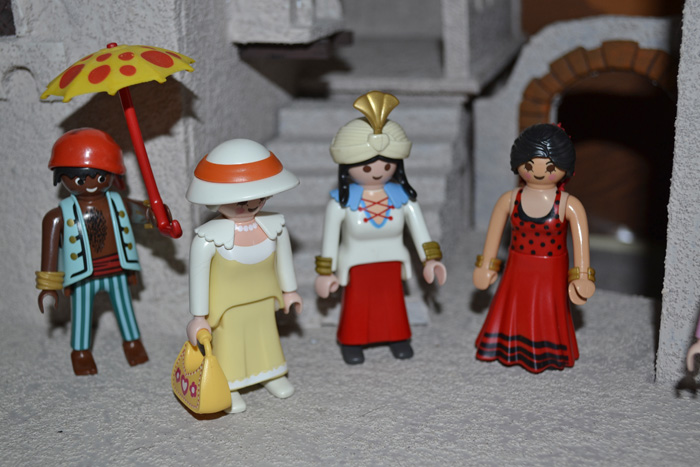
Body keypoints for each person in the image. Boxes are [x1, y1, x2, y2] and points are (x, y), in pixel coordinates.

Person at [315, 91, 447, 365]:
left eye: (386, 165)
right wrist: (325, 273)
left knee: (392, 303)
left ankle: (397, 337)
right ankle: (353, 342)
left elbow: (420, 232)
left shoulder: (403, 200)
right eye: (367, 167)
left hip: (391, 261)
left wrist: (431, 260)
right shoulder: (340, 204)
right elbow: (329, 241)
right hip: (356, 264)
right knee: (357, 305)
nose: (377, 171)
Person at [185, 138, 302, 414]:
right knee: (230, 345)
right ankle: (229, 384)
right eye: (241, 202)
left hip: (263, 298)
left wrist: (290, 290)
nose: (252, 205)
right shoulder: (207, 239)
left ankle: (271, 373)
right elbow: (198, 278)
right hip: (227, 307)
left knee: (266, 338)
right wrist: (198, 316)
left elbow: (284, 261)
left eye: (259, 198)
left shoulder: (275, 226)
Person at [473, 123, 596, 373]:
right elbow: (492, 238)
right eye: (529, 166)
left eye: (550, 168)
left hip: (551, 271)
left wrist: (582, 277)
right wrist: (486, 266)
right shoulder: (509, 199)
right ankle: (509, 346)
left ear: (564, 167)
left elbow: (582, 247)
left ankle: (547, 351)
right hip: (517, 266)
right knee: (513, 307)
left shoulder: (569, 205)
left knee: (548, 310)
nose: (538, 173)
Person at [36, 128, 154, 375]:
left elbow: (142, 213)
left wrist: (156, 213)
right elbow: (49, 252)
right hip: (83, 274)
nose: (90, 185)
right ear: (61, 178)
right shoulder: (58, 216)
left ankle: (133, 343)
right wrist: (48, 285)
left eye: (100, 177)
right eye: (80, 180)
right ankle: (80, 352)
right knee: (81, 314)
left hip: (117, 269)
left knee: (125, 308)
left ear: (112, 175)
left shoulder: (118, 203)